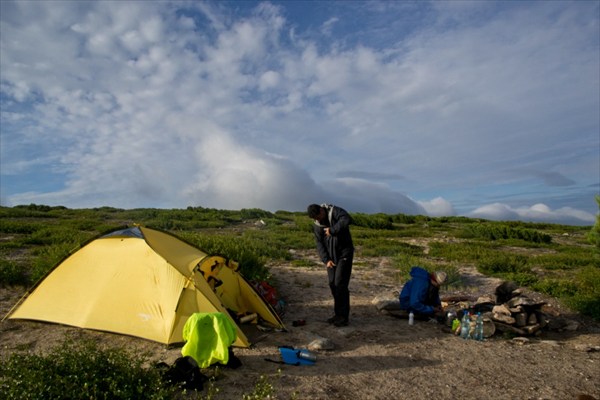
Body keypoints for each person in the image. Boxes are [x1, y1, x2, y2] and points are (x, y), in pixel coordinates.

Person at [307, 203, 354, 327]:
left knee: (340, 284)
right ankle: (338, 314)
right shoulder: (317, 225)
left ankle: (343, 317)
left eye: (319, 216)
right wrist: (326, 259)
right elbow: (319, 243)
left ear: (322, 210)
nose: (318, 220)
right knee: (332, 284)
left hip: (345, 253)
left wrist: (332, 230)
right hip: (331, 258)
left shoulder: (335, 211)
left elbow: (347, 219)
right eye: (315, 219)